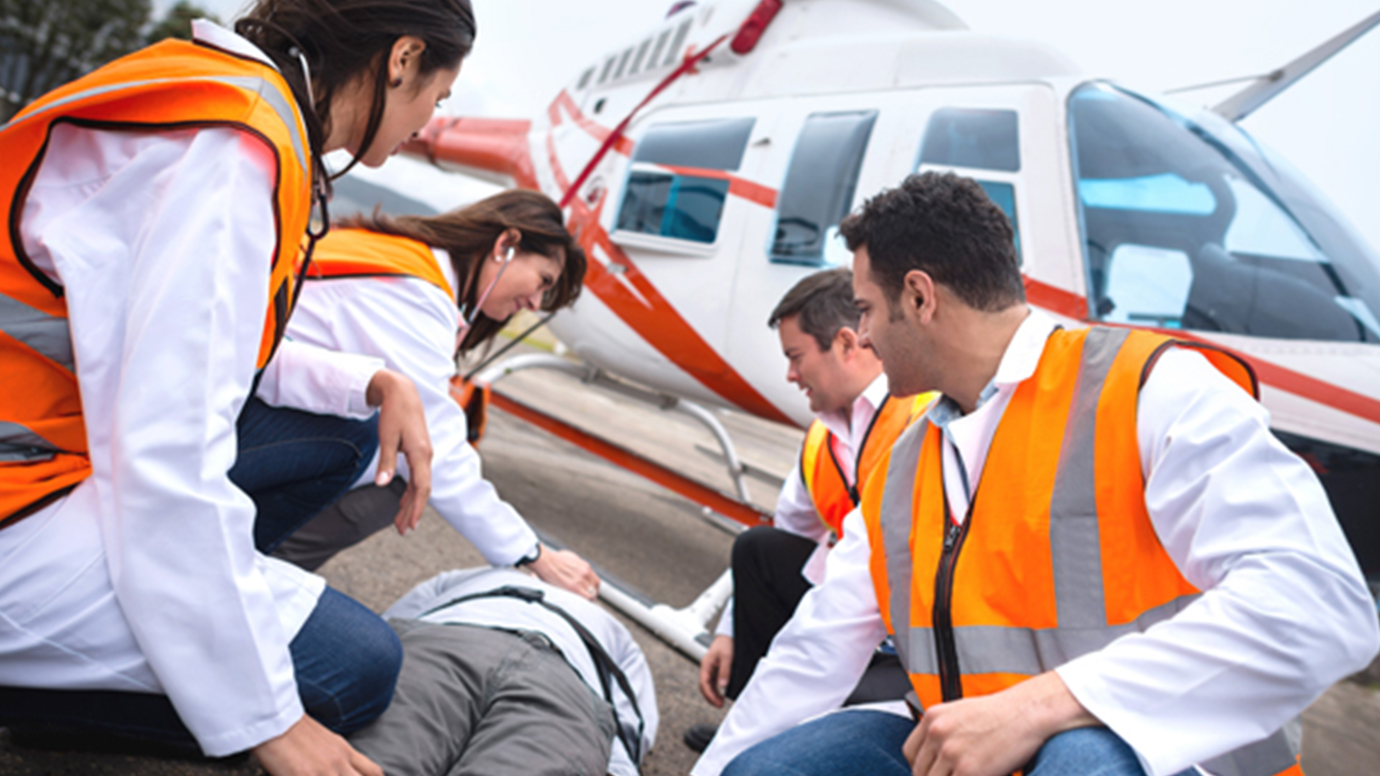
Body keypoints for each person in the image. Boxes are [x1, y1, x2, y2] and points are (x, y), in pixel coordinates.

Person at [691, 172, 1380, 776]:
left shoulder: (1150, 389)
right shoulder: (907, 464)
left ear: (921, 298)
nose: (862, 336)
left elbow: (1322, 605)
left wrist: (1040, 706)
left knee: (1080, 757)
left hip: (1156, 752)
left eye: (866, 310)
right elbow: (817, 646)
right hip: (972, 746)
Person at [0, 2, 475, 774]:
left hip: (46, 440)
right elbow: (167, 456)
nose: (429, 122)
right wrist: (266, 715)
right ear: (402, 60)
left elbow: (199, 349)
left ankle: (183, 617)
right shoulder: (234, 150)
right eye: (439, 95)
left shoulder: (230, 101)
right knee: (356, 668)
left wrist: (372, 380)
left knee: (347, 428)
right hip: (19, 491)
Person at [267, 189, 601, 598]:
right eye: (542, 282)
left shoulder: (405, 256)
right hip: (240, 416)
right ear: (505, 245)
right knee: (405, 466)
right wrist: (534, 554)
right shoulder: (416, 294)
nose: (534, 302)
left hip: (242, 397)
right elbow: (436, 445)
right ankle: (261, 570)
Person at [687, 268, 931, 752]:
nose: (790, 375)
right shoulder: (822, 439)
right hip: (855, 598)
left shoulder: (919, 418)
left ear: (845, 344)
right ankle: (755, 724)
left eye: (796, 357)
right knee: (759, 551)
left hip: (904, 631)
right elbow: (790, 527)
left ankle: (776, 737)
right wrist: (729, 634)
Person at [345, 566, 658, 776]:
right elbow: (633, 726)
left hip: (451, 640)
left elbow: (385, 629)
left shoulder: (481, 575)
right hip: (562, 676)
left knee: (374, 760)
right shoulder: (613, 629)